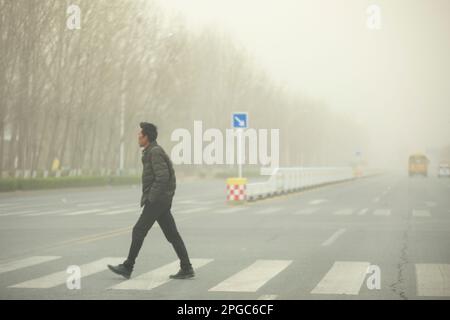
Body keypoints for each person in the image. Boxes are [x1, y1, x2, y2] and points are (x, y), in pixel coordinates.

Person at [108, 122, 194, 280]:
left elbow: (163, 177)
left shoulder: (154, 152)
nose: (138, 138)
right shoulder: (151, 151)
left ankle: (128, 266)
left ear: (147, 137)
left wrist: (151, 198)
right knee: (172, 235)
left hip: (157, 201)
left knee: (139, 230)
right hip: (161, 201)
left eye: (140, 136)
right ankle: (187, 267)